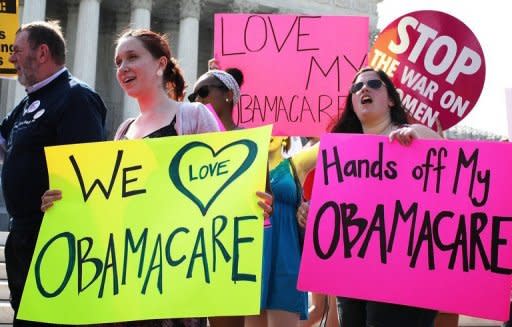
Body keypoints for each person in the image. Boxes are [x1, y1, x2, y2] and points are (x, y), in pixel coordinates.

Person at [41, 28, 272, 326]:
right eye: (118, 61)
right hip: (130, 283)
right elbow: (107, 207)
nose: (123, 68)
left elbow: (222, 185)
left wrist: (250, 202)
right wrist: (65, 202)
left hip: (178, 280)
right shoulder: (124, 131)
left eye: (132, 57)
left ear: (161, 63)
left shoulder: (194, 116)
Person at [296, 66, 440, 327]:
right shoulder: (340, 149)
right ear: (352, 101)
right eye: (357, 87)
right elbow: (291, 170)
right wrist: (307, 209)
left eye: (373, 84)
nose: (364, 89)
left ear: (391, 99)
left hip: (403, 273)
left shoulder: (414, 135)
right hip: (352, 273)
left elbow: (455, 167)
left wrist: (419, 140)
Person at [0, 21, 107, 326]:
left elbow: (86, 171)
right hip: (23, 236)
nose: (11, 59)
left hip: (54, 239)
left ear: (42, 52)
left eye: (17, 50)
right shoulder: (29, 101)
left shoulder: (76, 98)